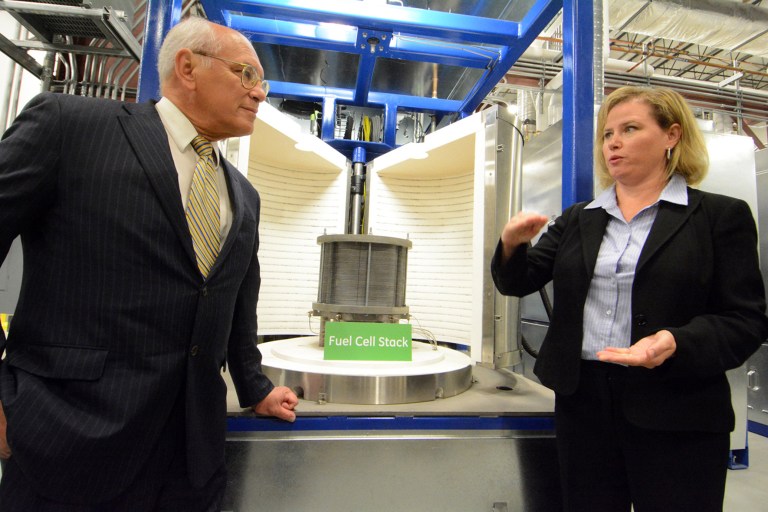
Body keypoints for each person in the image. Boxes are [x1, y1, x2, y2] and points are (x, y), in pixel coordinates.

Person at [0, 16, 298, 511]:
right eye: (247, 74)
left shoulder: (243, 195)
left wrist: (255, 387)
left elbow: (237, 301)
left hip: (190, 460)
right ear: (188, 67)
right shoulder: (70, 127)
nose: (260, 94)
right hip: (69, 444)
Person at [491, 86, 768, 512]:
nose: (613, 143)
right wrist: (512, 244)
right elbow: (518, 281)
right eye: (607, 134)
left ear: (671, 135)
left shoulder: (719, 217)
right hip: (584, 405)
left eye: (630, 129)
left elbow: (745, 320)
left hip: (678, 406)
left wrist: (674, 341)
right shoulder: (579, 219)